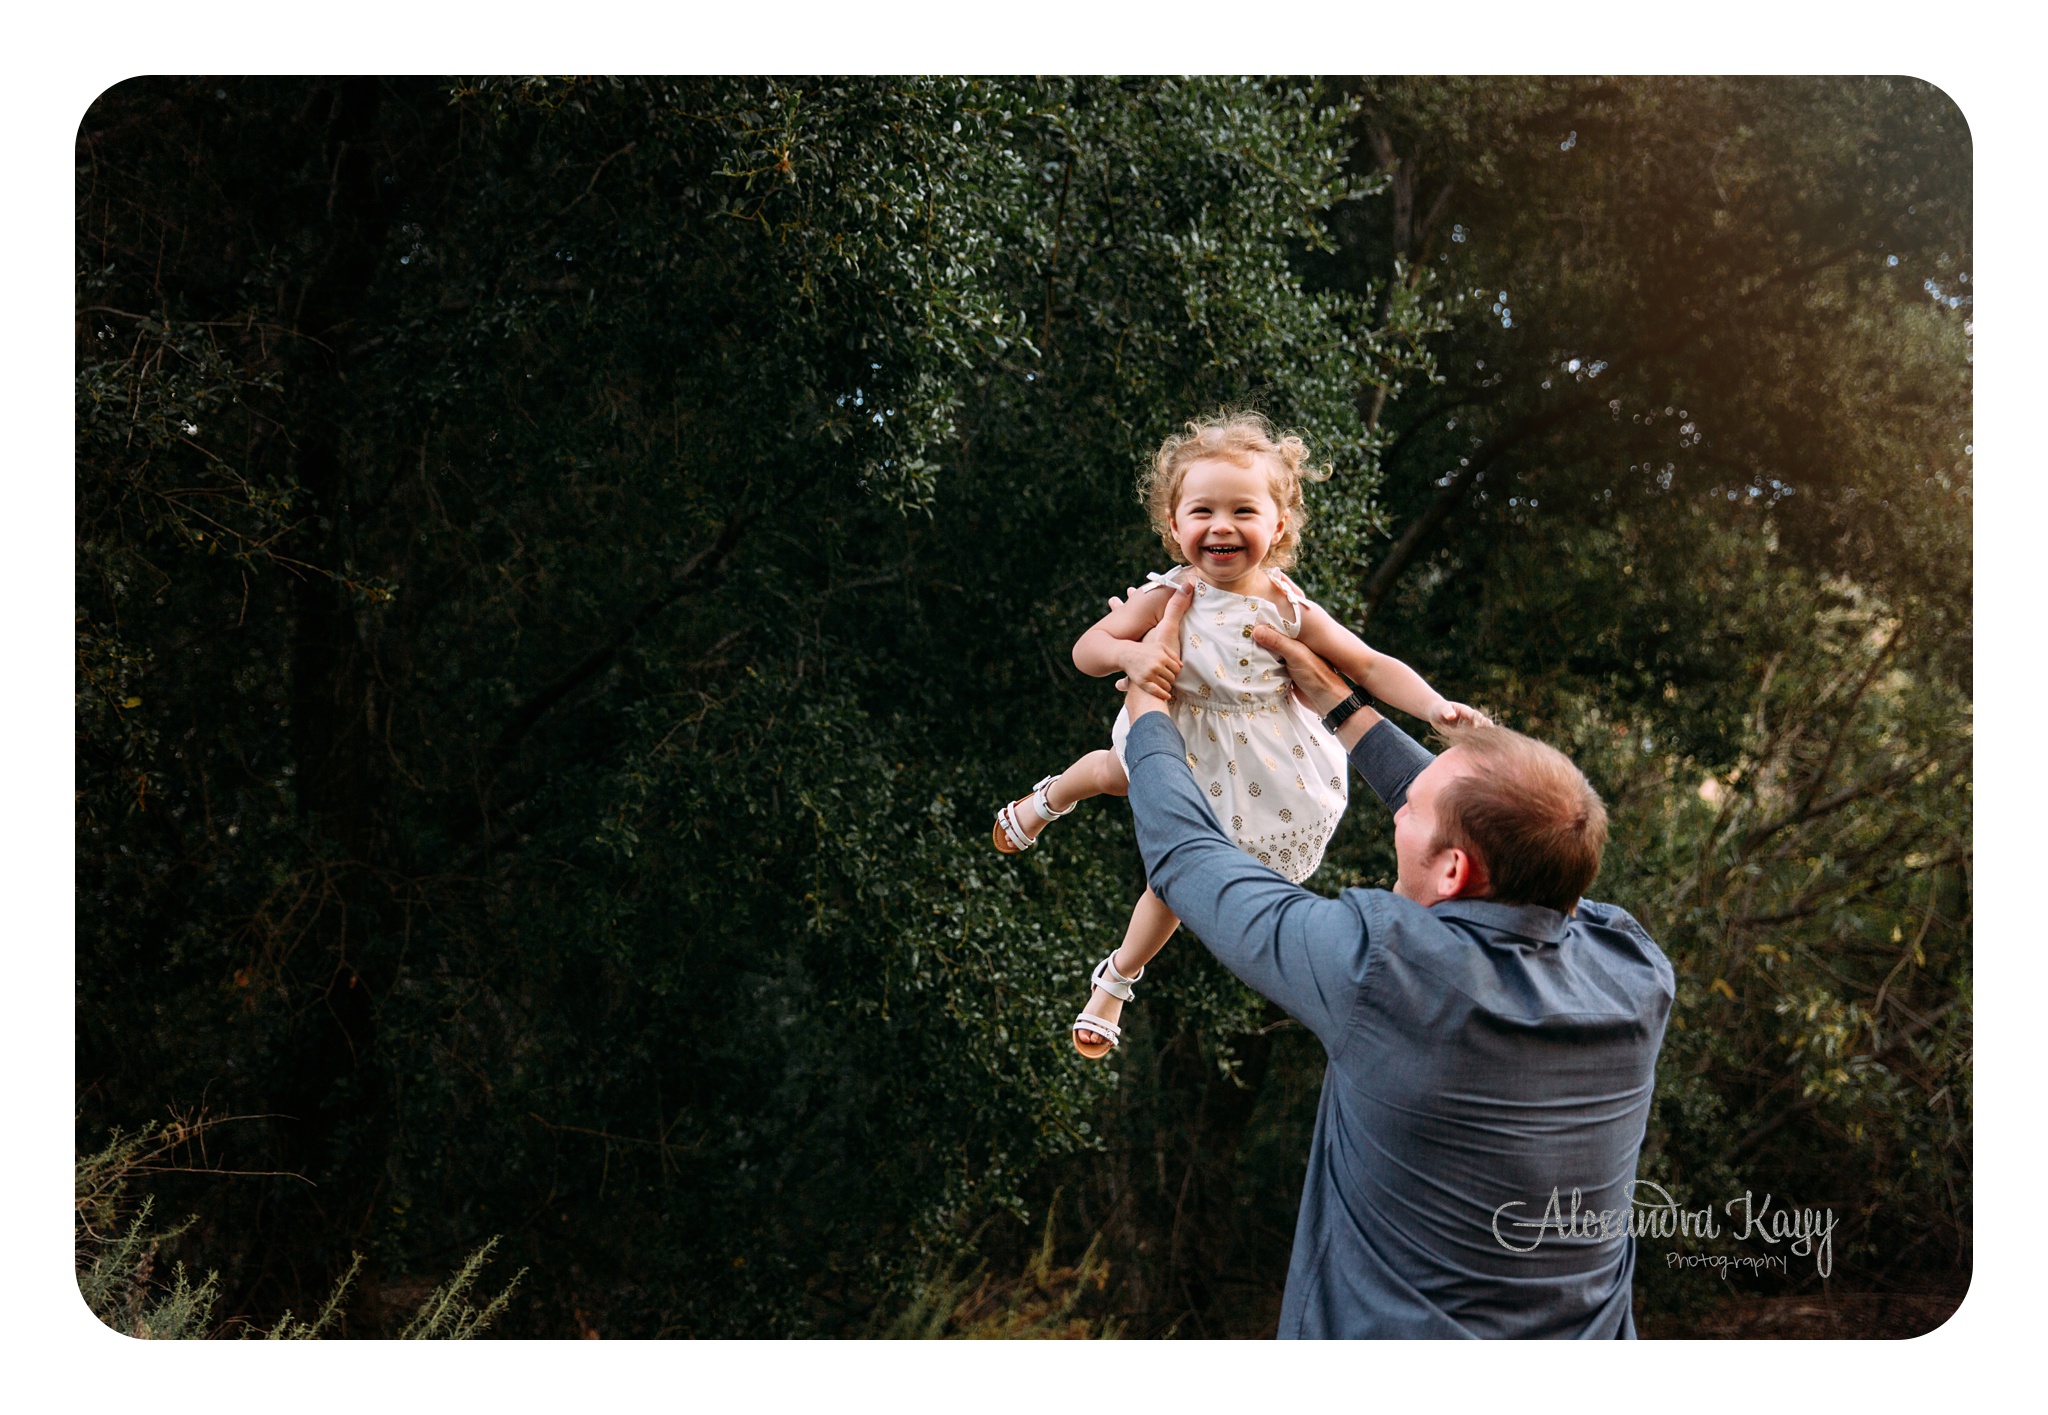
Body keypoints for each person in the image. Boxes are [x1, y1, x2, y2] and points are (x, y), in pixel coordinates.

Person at [1117, 601, 1675, 1339]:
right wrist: (1341, 707)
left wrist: (1150, 712)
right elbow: (1526, 846)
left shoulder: (1382, 970)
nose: (1393, 814)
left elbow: (1189, 858)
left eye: (1409, 808)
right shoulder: (1633, 969)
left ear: (1452, 868)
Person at [991, 413, 1483, 1057]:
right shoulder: (1172, 591)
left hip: (1257, 764)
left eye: (1243, 510)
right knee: (1111, 772)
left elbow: (1365, 664)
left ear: (1277, 526)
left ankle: (1116, 978)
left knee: (1173, 881)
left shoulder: (1288, 607)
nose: (1221, 525)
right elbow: (1088, 649)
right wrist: (1130, 658)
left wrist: (1433, 705)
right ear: (1174, 526)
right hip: (1175, 731)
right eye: (1202, 511)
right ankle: (1053, 795)